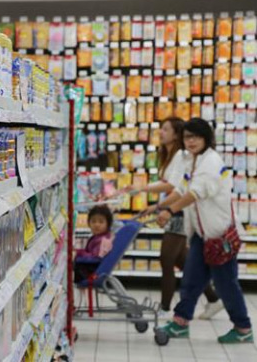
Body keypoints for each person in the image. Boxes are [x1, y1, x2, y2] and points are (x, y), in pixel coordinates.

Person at [147, 118, 253, 344]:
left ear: (206, 138)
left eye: (196, 137)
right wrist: (160, 206)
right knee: (191, 280)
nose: (191, 141)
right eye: (187, 137)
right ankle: (180, 322)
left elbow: (195, 193)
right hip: (200, 235)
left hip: (218, 235)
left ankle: (243, 328)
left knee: (226, 285)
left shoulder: (211, 162)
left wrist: (169, 211)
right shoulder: (191, 161)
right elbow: (181, 189)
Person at [132, 117, 222, 319]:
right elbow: (176, 186)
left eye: (165, 129)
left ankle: (165, 309)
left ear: (176, 134)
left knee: (167, 259)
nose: (160, 133)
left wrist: (153, 199)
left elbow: (177, 188)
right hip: (174, 209)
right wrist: (155, 203)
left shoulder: (183, 155)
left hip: (180, 211)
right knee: (181, 261)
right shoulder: (174, 155)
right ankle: (214, 299)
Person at [74, 205, 114, 284]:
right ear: (89, 223)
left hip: (92, 273)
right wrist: (78, 251)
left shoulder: (103, 240)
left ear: (108, 224)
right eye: (93, 221)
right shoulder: (98, 237)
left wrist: (78, 254)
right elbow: (89, 252)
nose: (97, 225)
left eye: (101, 222)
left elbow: (94, 257)